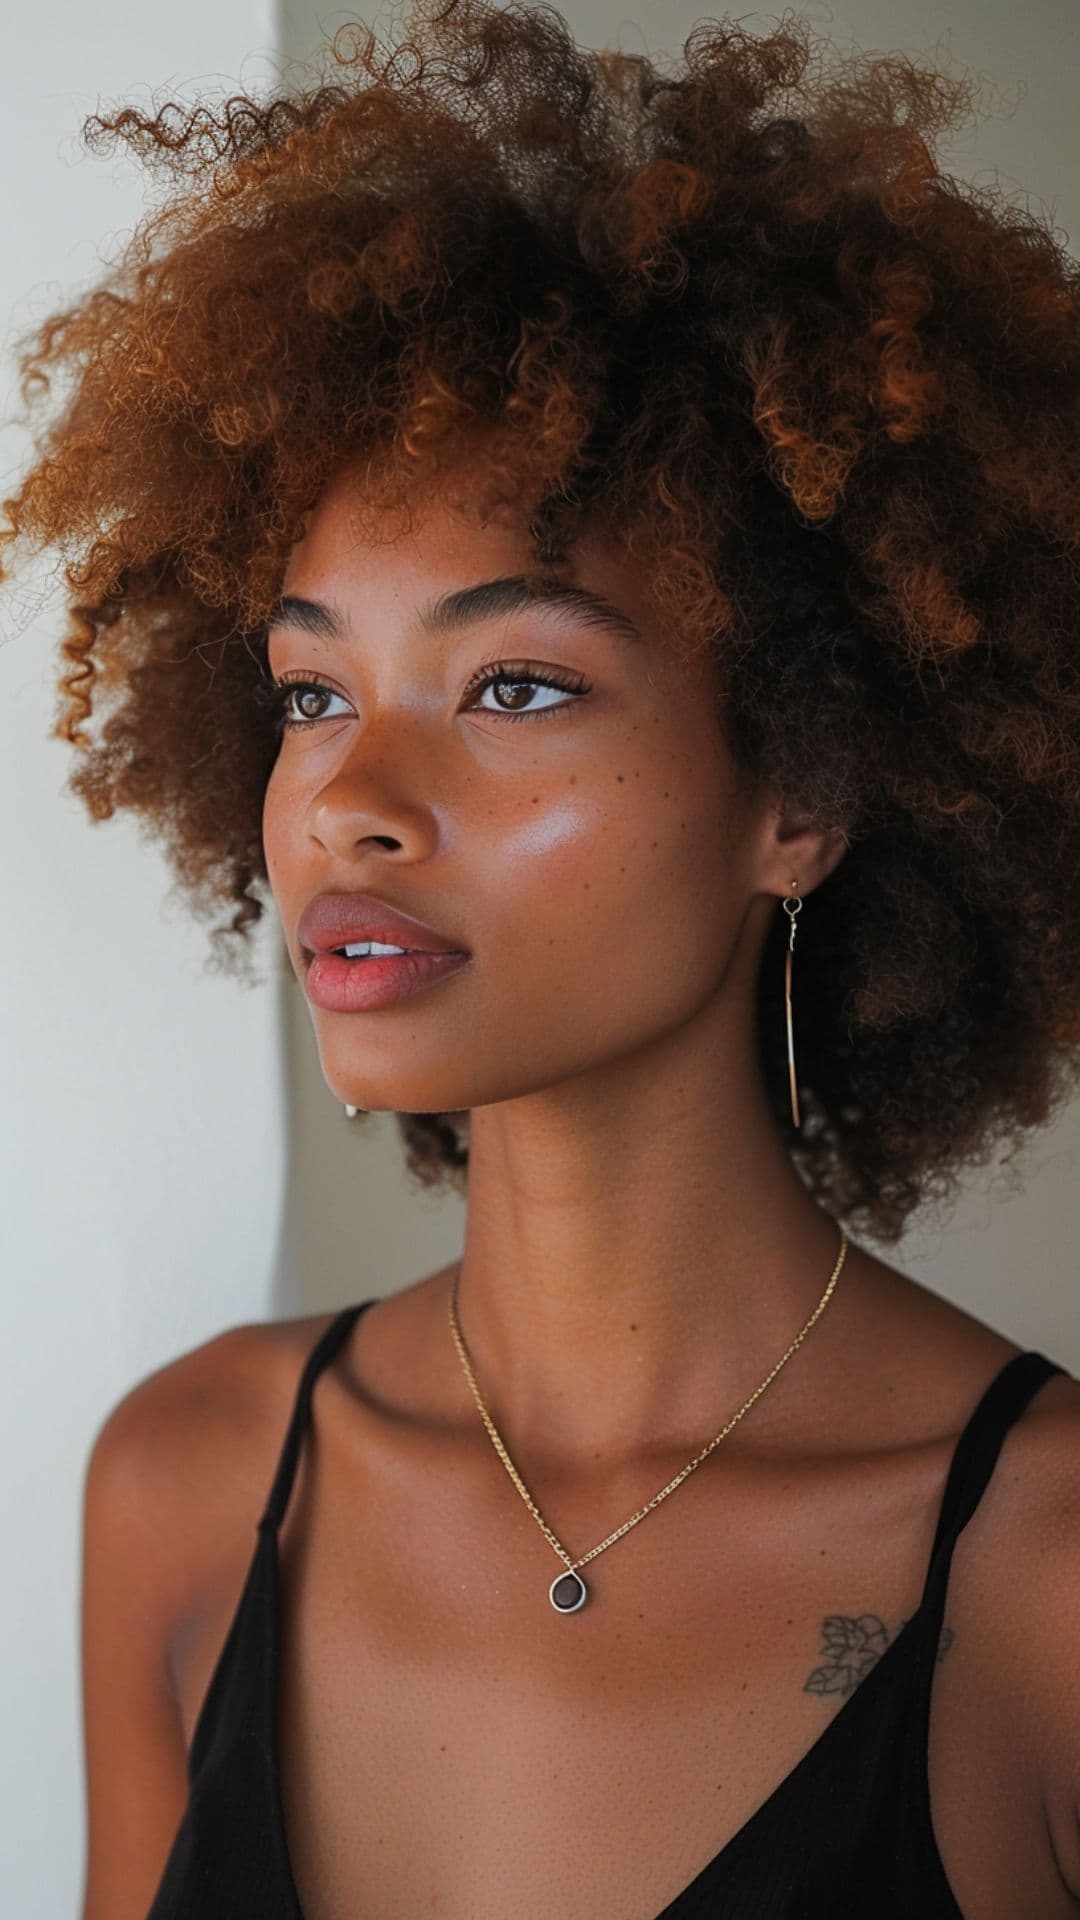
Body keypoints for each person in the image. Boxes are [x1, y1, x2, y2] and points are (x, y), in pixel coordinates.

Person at [3, 2, 1079, 1915]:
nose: (350, 798)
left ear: (803, 792)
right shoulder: (186, 1485)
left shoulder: (1048, 1574)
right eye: (312, 691)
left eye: (514, 683)